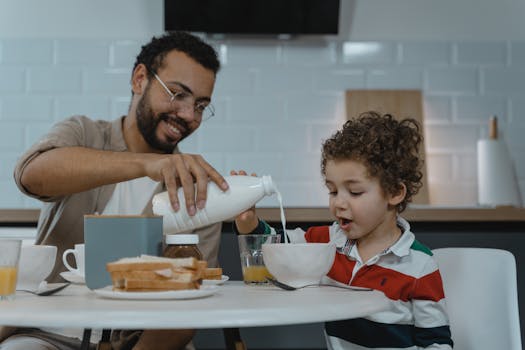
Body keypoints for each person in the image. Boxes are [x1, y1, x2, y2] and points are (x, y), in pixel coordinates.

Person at [2, 31, 228, 350]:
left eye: (201, 105)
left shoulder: (196, 188)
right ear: (139, 79)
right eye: (177, 94)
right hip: (47, 334)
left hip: (137, 342)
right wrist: (144, 164)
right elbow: (31, 175)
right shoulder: (83, 134)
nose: (189, 116)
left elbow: (186, 315)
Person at [233, 111, 454, 349]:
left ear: (394, 193)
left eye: (355, 192)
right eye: (333, 191)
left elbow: (437, 343)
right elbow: (278, 245)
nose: (338, 203)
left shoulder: (419, 266)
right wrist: (248, 220)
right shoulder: (329, 242)